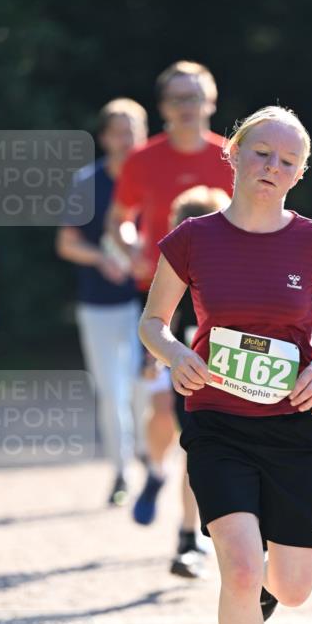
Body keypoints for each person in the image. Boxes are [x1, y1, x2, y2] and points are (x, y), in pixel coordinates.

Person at [139, 106, 312, 624]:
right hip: (219, 425)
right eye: (261, 153)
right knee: (238, 569)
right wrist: (175, 355)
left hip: (294, 429)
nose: (272, 168)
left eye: (287, 161)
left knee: (289, 588)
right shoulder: (193, 240)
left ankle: (260, 602)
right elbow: (154, 321)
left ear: (299, 175)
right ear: (233, 154)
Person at [106, 61, 233, 537]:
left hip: (220, 301)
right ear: (162, 107)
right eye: (177, 99)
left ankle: (189, 532)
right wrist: (132, 248)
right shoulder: (143, 159)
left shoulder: (232, 157)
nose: (187, 107)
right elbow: (119, 219)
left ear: (211, 101)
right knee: (162, 410)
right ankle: (157, 472)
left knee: (203, 415)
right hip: (161, 297)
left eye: (194, 96)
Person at [56, 99, 148, 505]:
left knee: (144, 388)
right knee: (111, 392)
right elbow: (67, 243)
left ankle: (150, 456)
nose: (126, 139)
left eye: (133, 130)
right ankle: (121, 470)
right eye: (118, 131)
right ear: (105, 136)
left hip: (149, 302)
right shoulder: (86, 182)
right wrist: (103, 259)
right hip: (98, 304)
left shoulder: (154, 178)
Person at [166, 185, 231, 578]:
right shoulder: (175, 275)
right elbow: (161, 323)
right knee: (196, 457)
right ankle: (189, 536)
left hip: (238, 384)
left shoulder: (239, 273)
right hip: (191, 382)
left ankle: (242, 542)